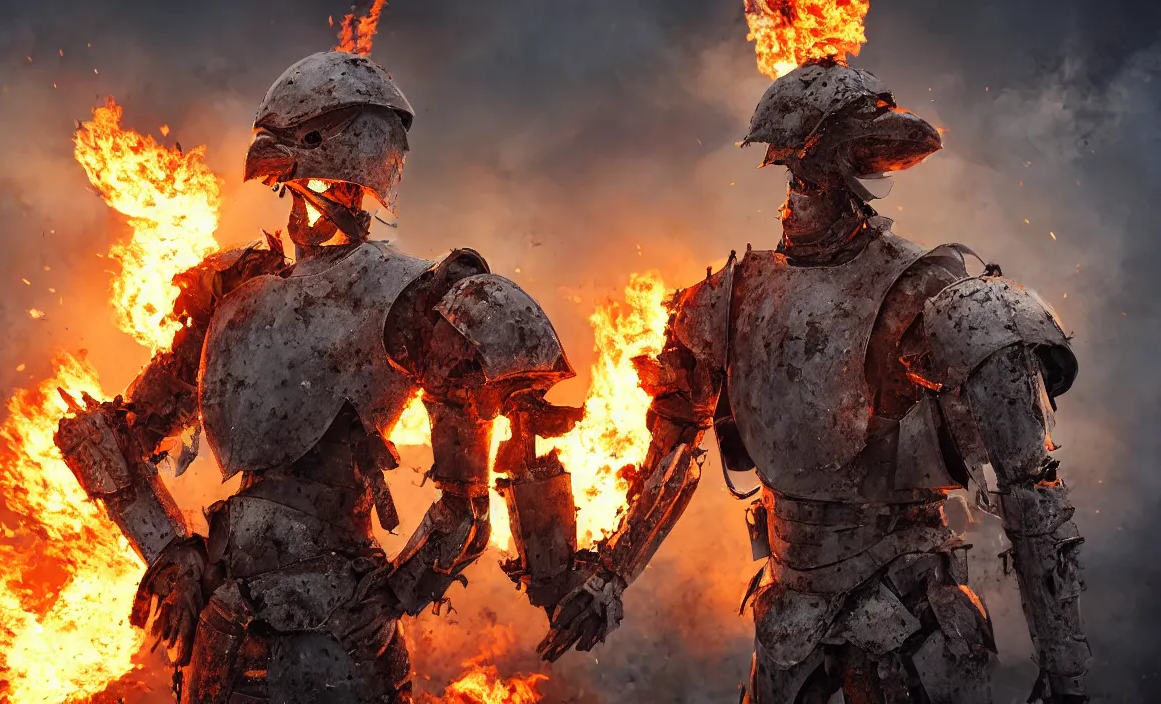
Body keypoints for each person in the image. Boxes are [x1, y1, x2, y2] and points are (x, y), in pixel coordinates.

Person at [539, 59, 1091, 704]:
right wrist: (609, 575)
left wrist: (1065, 673)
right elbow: (673, 458)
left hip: (911, 614)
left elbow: (1032, 490)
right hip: (787, 622)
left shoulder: (929, 289)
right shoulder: (730, 296)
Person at [56, 50, 582, 704]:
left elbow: (464, 508)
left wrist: (395, 595)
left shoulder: (423, 298)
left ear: (343, 148)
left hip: (335, 638)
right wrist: (169, 558)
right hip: (222, 630)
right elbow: (116, 436)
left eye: (299, 138)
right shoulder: (235, 287)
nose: (270, 157)